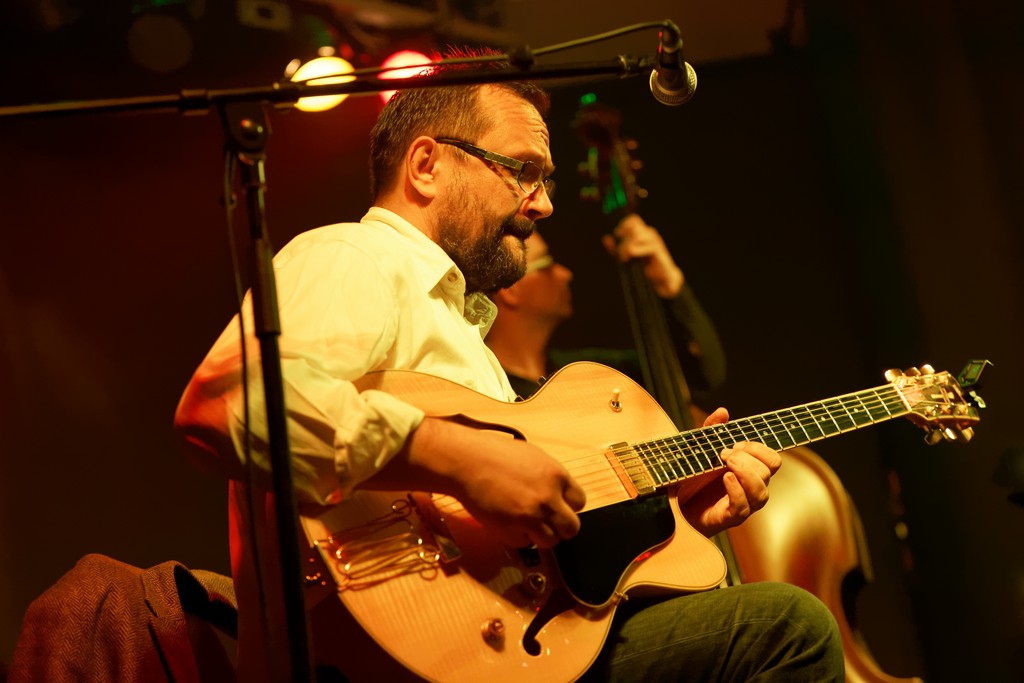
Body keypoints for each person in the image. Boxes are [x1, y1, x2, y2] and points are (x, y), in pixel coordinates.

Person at [174, 49, 844, 682]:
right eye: (523, 170)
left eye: (545, 179)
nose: (544, 202)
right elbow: (228, 404)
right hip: (369, 659)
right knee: (787, 627)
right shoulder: (355, 256)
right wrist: (462, 459)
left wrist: (669, 525)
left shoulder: (462, 332)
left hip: (508, 650)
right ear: (427, 166)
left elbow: (529, 563)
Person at [486, 217, 726, 423]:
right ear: (511, 290)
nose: (565, 274)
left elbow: (702, 373)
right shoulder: (484, 391)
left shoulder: (596, 375)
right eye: (547, 265)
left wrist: (668, 283)